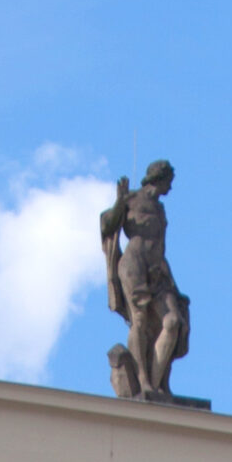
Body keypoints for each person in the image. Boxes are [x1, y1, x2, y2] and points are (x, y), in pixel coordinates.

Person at [100, 161, 188, 399]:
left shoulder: (160, 209)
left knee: (173, 322)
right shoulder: (131, 199)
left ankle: (157, 383)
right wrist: (119, 201)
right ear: (159, 179)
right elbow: (107, 223)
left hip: (158, 269)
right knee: (139, 319)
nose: (170, 188)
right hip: (134, 265)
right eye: (169, 182)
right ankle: (143, 380)